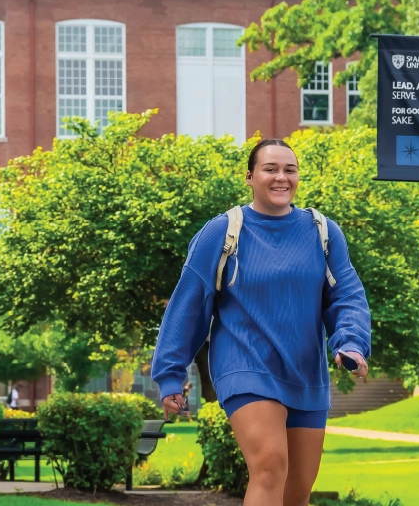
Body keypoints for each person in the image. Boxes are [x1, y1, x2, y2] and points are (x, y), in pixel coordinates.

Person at [152, 139, 372, 506]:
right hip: (244, 364)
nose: (281, 177)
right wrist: (170, 373)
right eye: (270, 169)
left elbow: (346, 296)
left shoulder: (323, 232)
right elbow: (187, 306)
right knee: (270, 466)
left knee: (296, 492)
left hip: (304, 370)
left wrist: (350, 342)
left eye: (290, 170)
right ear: (250, 176)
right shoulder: (223, 232)